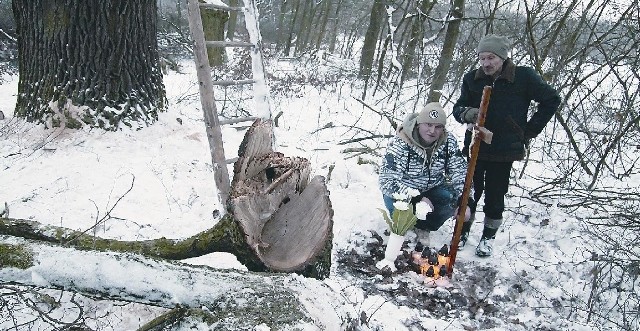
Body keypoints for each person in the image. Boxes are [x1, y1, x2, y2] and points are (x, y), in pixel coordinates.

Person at [452, 34, 561, 257]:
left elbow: (551, 99)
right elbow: (458, 108)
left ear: (502, 57)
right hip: (476, 146)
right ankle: (462, 231)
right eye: (482, 58)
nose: (486, 63)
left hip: (504, 149)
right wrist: (467, 113)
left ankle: (488, 238)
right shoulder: (472, 79)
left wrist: (528, 131)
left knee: (495, 193)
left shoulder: (523, 77)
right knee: (470, 191)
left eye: (490, 57)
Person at [379, 102, 473, 246]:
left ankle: (424, 227)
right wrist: (417, 198)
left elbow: (460, 171)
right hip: (405, 191)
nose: (432, 131)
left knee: (451, 198)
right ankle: (404, 228)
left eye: (438, 127)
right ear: (418, 124)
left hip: (433, 188)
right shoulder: (400, 143)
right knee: (396, 204)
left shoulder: (448, 142)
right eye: (428, 125)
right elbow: (387, 181)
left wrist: (464, 202)